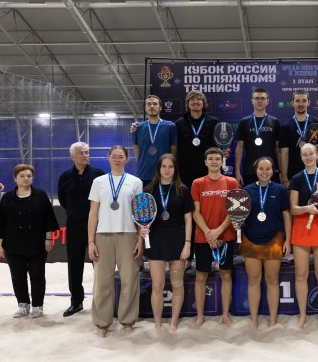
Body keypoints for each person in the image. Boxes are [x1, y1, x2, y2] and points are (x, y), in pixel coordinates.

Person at [88, 145, 143, 338]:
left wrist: (140, 240)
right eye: (114, 156)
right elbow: (93, 214)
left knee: (129, 280)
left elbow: (140, 214)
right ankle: (102, 323)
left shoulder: (135, 182)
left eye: (121, 156)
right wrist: (91, 241)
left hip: (128, 235)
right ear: (108, 158)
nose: (117, 159)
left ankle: (127, 321)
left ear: (127, 159)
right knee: (102, 282)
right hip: (103, 236)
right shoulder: (99, 182)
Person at [0, 164, 59, 318]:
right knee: (17, 276)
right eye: (22, 176)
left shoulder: (41, 195)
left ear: (32, 178)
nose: (26, 178)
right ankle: (23, 304)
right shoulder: (7, 198)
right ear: (15, 178)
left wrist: (48, 238)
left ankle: (37, 306)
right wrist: (0, 245)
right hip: (13, 244)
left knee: (37, 275)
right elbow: (0, 222)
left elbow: (48, 219)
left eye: (29, 176)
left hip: (37, 244)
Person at [141, 154, 193, 332]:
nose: (167, 170)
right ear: (158, 168)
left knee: (177, 285)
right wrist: (142, 229)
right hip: (156, 242)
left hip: (178, 241)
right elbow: (143, 218)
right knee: (157, 285)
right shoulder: (149, 190)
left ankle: (173, 322)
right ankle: (157, 323)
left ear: (175, 169)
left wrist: (187, 243)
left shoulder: (182, 190)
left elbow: (188, 219)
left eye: (170, 166)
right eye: (164, 166)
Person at [289, 143, 318, 329]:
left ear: (317, 154)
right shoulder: (296, 178)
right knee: (300, 275)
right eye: (304, 155)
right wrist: (306, 209)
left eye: (311, 154)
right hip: (302, 228)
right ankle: (302, 315)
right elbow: (293, 209)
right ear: (301, 157)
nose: (308, 157)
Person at [240, 157, 292, 327]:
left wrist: (288, 240)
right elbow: (240, 216)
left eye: (268, 169)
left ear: (273, 170)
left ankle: (273, 319)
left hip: (274, 240)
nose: (264, 172)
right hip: (250, 240)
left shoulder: (280, 190)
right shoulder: (247, 190)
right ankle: (254, 319)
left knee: (272, 280)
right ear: (256, 171)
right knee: (253, 280)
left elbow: (286, 215)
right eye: (261, 169)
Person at [191, 147, 239, 329]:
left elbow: (233, 210)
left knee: (226, 275)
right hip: (203, 237)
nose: (214, 161)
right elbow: (196, 213)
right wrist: (209, 233)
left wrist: (218, 231)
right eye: (210, 158)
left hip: (225, 235)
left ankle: (225, 315)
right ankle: (200, 316)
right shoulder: (197, 183)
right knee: (201, 276)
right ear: (205, 162)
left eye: (217, 159)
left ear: (222, 161)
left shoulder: (231, 182)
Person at [57, 142, 105, 317]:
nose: (85, 155)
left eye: (86, 152)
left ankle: (103, 301)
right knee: (74, 264)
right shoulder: (65, 177)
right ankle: (76, 302)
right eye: (81, 153)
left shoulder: (98, 175)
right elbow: (63, 200)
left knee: (99, 264)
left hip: (97, 226)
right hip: (74, 226)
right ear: (72, 156)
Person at [279, 90, 318, 189]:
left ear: (308, 102)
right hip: (293, 175)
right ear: (293, 103)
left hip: (314, 173)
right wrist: (284, 178)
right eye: (297, 101)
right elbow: (284, 154)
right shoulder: (285, 127)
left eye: (304, 101)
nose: (301, 104)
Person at [174, 90, 221, 189]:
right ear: (188, 103)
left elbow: (219, 146)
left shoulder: (214, 122)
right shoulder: (179, 124)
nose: (195, 101)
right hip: (185, 174)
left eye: (199, 99)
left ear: (203, 103)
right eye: (192, 99)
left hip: (208, 172)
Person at [235, 88, 281, 186]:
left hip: (271, 170)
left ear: (267, 101)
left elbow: (278, 149)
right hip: (250, 171)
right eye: (256, 98)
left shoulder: (274, 121)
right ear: (252, 101)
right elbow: (239, 148)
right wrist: (237, 172)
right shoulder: (244, 122)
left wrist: (281, 171)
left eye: (263, 98)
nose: (260, 101)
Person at [131, 95, 178, 188]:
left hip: (164, 175)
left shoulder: (170, 126)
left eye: (155, 104)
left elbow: (173, 152)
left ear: (160, 107)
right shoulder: (137, 127)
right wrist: (142, 163)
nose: (152, 106)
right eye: (149, 104)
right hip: (143, 174)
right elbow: (136, 149)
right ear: (145, 108)